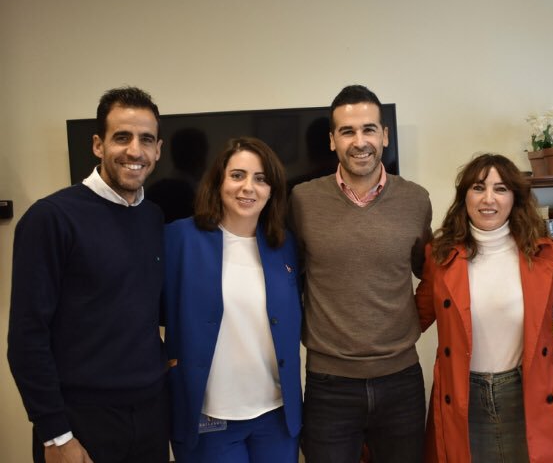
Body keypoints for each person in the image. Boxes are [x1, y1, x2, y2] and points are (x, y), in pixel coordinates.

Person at [8, 86, 169, 463]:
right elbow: (27, 337)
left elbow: (142, 307)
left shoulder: (153, 217)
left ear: (158, 150)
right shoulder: (51, 218)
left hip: (150, 413)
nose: (135, 151)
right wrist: (55, 434)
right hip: (81, 421)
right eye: (122, 137)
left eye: (146, 140)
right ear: (98, 145)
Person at [415, 153, 553, 462]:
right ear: (464, 197)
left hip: (527, 394)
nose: (488, 199)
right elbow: (412, 321)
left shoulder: (544, 255)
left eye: (500, 189)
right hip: (464, 397)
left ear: (514, 198)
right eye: (478, 188)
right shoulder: (439, 257)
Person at [289, 84, 432, 463]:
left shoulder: (416, 199)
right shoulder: (302, 200)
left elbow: (431, 273)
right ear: (332, 140)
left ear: (384, 135)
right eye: (347, 131)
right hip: (329, 385)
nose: (359, 141)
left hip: (401, 380)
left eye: (369, 129)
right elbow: (287, 276)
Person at [163, 137, 302, 462]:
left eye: (261, 178)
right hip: (210, 416)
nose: (248, 187)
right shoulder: (179, 239)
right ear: (218, 181)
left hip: (276, 415)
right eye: (237, 175)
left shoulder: (284, 245)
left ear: (272, 190)